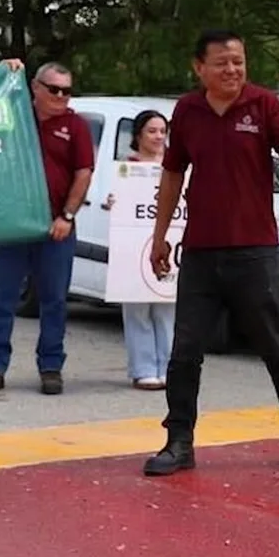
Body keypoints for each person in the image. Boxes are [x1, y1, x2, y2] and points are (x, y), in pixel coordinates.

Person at [142, 29, 279, 477]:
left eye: (238, 62)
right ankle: (178, 441)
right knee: (185, 352)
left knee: (277, 346)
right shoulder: (187, 110)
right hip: (200, 251)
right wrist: (160, 235)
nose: (232, 70)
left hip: (254, 252)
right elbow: (172, 174)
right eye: (222, 62)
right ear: (199, 67)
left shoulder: (261, 105)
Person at [0, 61, 94, 396]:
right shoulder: (13, 117)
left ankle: (51, 366)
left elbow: (83, 173)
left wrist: (66, 217)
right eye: (53, 89)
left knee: (54, 300)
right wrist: (3, 71)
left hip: (55, 228)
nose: (60, 96)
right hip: (13, 226)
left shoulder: (76, 126)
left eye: (66, 91)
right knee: (2, 298)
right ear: (35, 88)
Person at [102, 109, 175, 389]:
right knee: (137, 309)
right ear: (138, 136)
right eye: (152, 131)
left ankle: (170, 368)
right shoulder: (126, 168)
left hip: (168, 244)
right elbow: (117, 204)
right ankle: (144, 368)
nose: (158, 136)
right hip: (133, 247)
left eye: (162, 131)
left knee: (166, 308)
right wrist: (114, 202)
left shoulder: (176, 167)